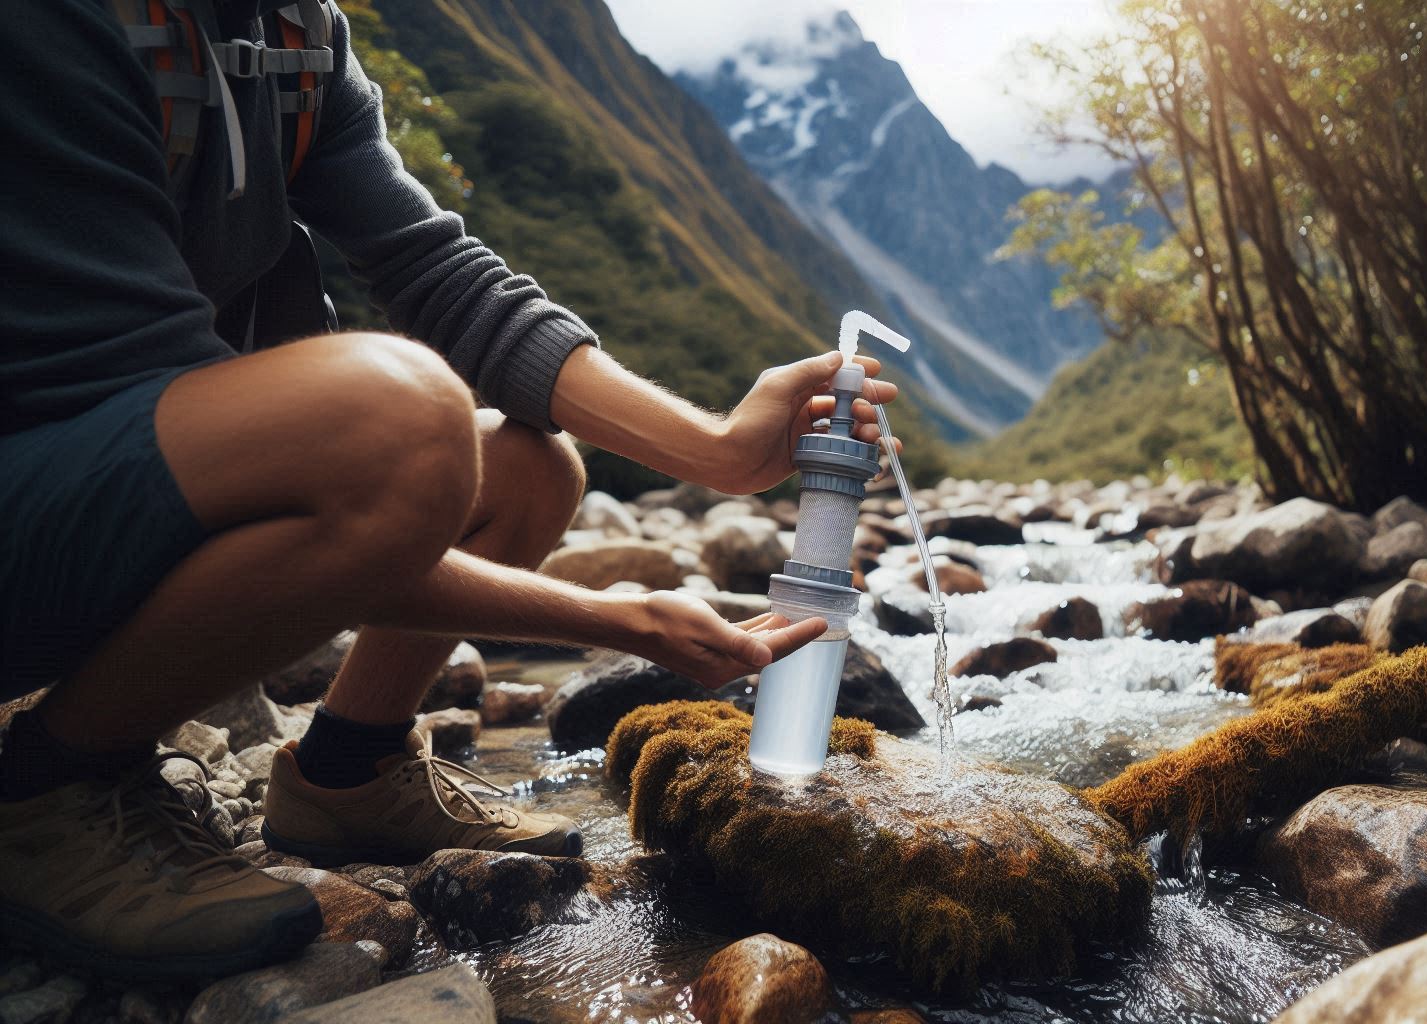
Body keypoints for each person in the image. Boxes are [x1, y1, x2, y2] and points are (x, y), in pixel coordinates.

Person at [0, 0, 895, 978]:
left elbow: (439, 275)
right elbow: (178, 474)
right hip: (39, 495)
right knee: (399, 420)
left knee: (524, 468)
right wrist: (621, 619)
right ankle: (44, 790)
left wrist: (717, 450)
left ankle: (347, 771)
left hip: (88, 495)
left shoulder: (294, 33)